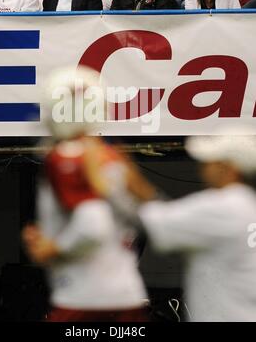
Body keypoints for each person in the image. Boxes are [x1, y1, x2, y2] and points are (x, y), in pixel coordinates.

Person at [22, 65, 152, 322]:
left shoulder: (67, 158)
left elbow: (93, 224)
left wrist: (53, 247)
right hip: (125, 292)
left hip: (85, 297)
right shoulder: (111, 156)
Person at [103, 128, 256, 321]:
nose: (202, 168)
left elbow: (157, 219)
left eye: (210, 163)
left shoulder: (224, 206)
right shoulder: (247, 203)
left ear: (230, 168)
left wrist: (127, 174)